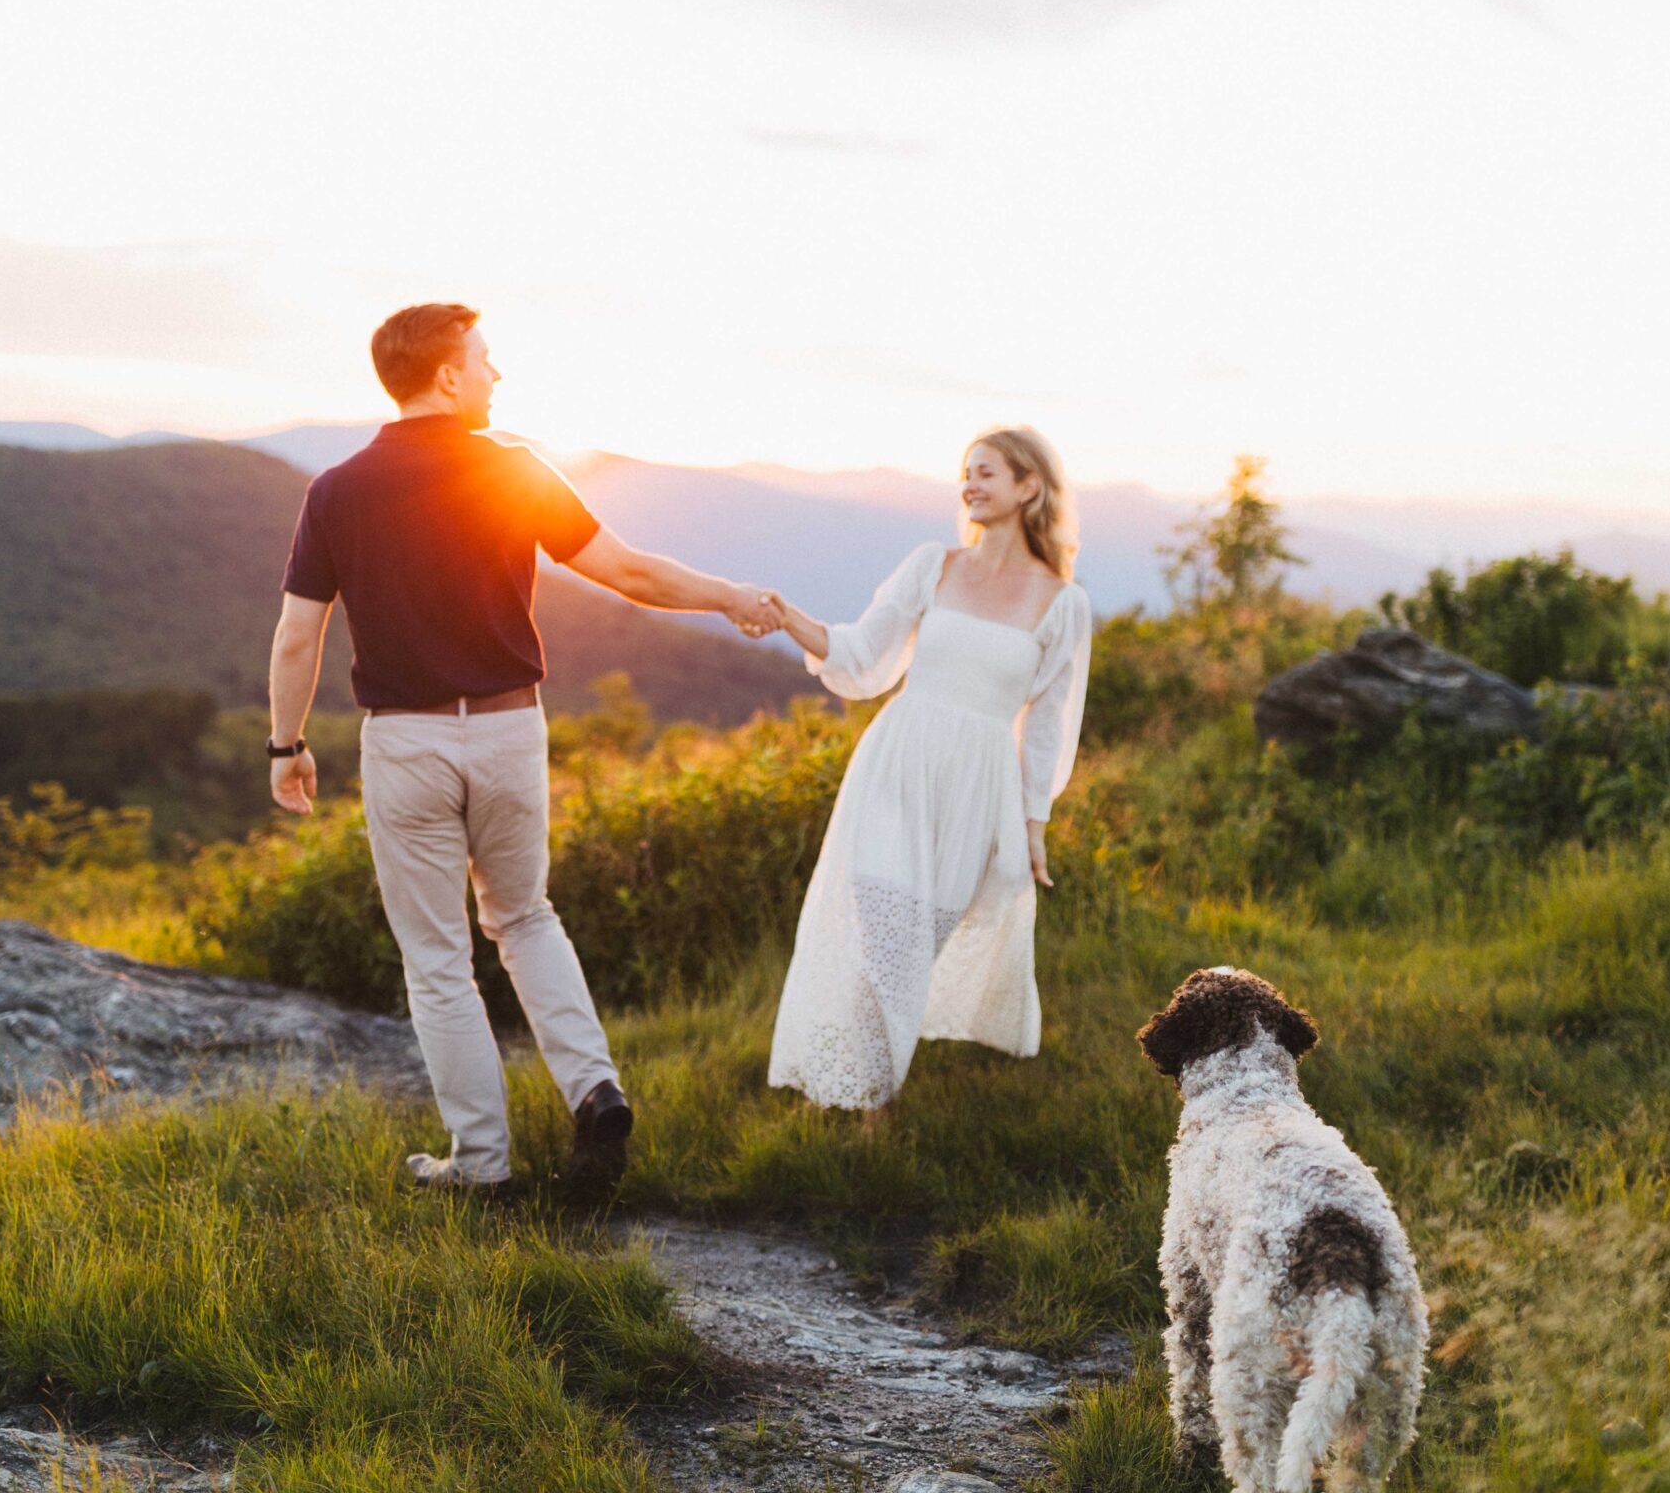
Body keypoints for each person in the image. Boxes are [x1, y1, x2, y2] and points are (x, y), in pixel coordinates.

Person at [266, 302, 775, 1198]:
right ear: (446, 375)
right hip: (509, 727)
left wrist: (286, 745)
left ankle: (482, 1165)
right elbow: (629, 571)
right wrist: (727, 594)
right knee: (526, 918)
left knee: (437, 959)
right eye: (485, 360)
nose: (497, 375)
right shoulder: (510, 470)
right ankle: (594, 1090)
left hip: (407, 742)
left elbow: (296, 638)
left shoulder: (336, 489)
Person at [763, 428, 1090, 1113]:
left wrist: (1033, 825)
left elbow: (1047, 728)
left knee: (917, 945)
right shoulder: (932, 566)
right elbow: (861, 652)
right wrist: (790, 618)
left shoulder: (1063, 603)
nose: (968, 484)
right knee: (882, 927)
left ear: (1028, 487)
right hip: (897, 764)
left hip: (977, 787)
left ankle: (858, 1088)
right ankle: (860, 1103)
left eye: (986, 473)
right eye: (965, 474)